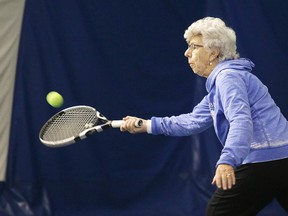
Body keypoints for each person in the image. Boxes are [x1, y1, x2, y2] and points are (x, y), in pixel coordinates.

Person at [120, 17, 288, 215]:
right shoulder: (222, 84)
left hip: (265, 161)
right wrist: (147, 125)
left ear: (213, 53)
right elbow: (193, 121)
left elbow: (241, 120)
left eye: (193, 46)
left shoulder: (227, 78)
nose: (186, 53)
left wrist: (227, 160)